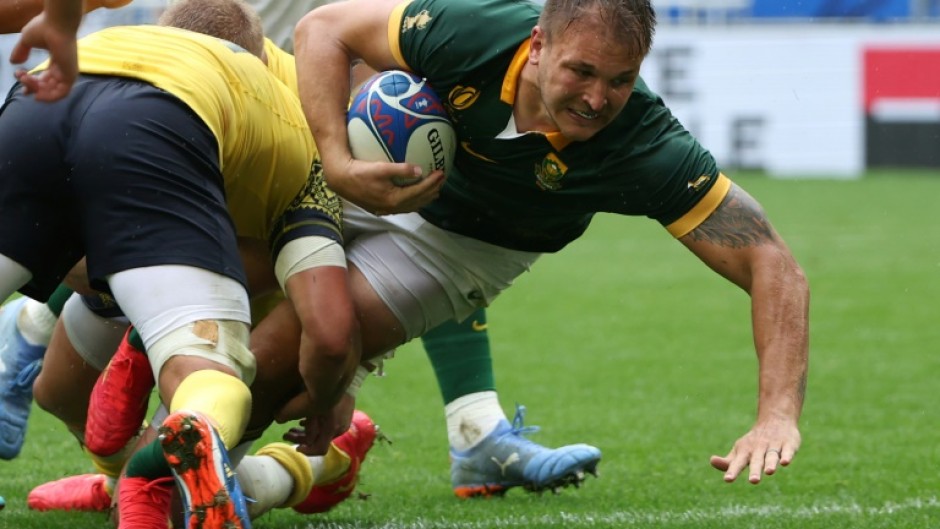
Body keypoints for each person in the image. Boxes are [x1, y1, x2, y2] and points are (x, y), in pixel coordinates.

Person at [1, 0, 604, 499]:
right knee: (63, 394)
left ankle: (297, 468)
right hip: (155, 196)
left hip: (244, 245)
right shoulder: (151, 86)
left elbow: (329, 293)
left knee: (205, 405)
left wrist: (336, 386)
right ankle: (120, 463)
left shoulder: (298, 133)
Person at [288, 0, 810, 487]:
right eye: (581, 72)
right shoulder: (478, 31)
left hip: (470, 247)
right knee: (242, 291)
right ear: (538, 46)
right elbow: (322, 28)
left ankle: (261, 480)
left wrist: (777, 417)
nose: (596, 99)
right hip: (376, 180)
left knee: (293, 362)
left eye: (620, 80)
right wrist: (337, 162)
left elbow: (773, 264)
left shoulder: (645, 145)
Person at [0, 0, 362, 527]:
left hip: (42, 93)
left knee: (61, 389)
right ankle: (170, 449)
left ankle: (137, 481)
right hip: (164, 135)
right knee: (204, 372)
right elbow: (330, 333)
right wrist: (331, 394)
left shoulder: (124, 40)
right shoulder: (296, 116)